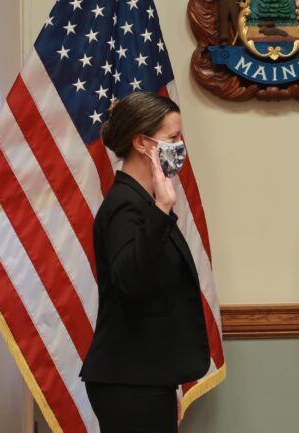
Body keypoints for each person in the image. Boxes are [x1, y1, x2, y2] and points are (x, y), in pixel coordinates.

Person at [80, 92, 210, 433]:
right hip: (128, 379)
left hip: (145, 374)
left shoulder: (142, 202)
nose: (180, 146)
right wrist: (162, 209)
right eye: (172, 138)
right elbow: (131, 281)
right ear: (141, 142)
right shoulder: (126, 205)